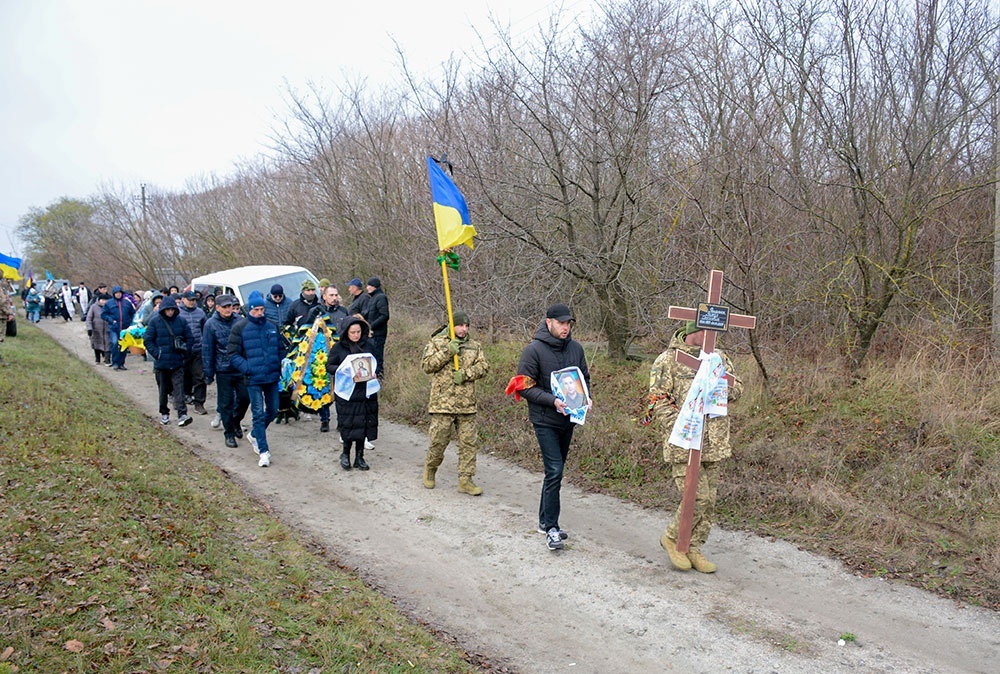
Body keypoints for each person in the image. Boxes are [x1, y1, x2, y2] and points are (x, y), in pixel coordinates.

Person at [648, 321, 742, 573]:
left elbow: (738, 389)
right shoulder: (667, 360)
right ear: (693, 332)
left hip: (714, 442)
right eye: (708, 332)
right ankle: (672, 538)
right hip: (684, 443)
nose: (713, 337)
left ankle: (693, 547)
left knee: (708, 501)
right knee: (695, 497)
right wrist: (683, 426)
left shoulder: (718, 357)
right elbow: (658, 400)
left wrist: (720, 385)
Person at [514, 303, 591, 551]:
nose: (566, 328)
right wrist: (553, 401)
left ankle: (544, 521)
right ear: (549, 323)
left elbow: (583, 378)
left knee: (554, 472)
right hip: (545, 420)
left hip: (568, 419)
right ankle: (552, 529)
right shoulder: (533, 351)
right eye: (561, 323)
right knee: (555, 470)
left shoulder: (576, 349)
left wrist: (586, 398)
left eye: (568, 323)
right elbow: (524, 387)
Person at [421, 311, 490, 495]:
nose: (464, 329)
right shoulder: (437, 343)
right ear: (452, 325)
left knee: (468, 443)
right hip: (443, 403)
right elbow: (427, 366)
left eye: (467, 326)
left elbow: (484, 367)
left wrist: (467, 374)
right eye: (460, 325)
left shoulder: (474, 346)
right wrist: (447, 352)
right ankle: (431, 468)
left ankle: (465, 480)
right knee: (439, 440)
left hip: (466, 404)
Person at [228, 290, 284, 468]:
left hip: (272, 376)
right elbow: (232, 354)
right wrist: (247, 368)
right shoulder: (240, 328)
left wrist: (282, 364)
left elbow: (280, 348)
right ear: (250, 310)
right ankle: (263, 450)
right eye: (256, 310)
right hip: (253, 378)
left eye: (262, 309)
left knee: (273, 410)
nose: (260, 313)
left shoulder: (272, 326)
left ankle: (254, 434)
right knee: (258, 413)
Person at [326, 315, 378, 471]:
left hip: (365, 392)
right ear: (346, 332)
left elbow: (377, 363)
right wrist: (343, 370)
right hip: (347, 392)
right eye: (353, 332)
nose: (356, 335)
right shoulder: (339, 348)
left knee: (363, 424)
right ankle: (345, 454)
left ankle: (360, 457)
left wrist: (374, 372)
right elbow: (330, 366)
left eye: (358, 332)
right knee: (348, 425)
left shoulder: (368, 345)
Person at [203, 294, 249, 449]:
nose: (228, 309)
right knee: (226, 403)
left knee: (245, 398)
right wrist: (208, 372)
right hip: (223, 369)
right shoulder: (210, 324)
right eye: (224, 307)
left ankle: (235, 421)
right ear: (217, 308)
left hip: (240, 368)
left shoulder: (240, 321)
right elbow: (208, 349)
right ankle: (229, 433)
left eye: (230, 306)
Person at [144, 295, 194, 427]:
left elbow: (190, 338)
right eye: (168, 310)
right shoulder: (155, 322)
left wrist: (185, 352)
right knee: (163, 391)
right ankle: (164, 412)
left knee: (179, 389)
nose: (170, 312)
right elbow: (148, 340)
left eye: (172, 309)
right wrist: (157, 353)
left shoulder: (181, 321)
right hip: (161, 364)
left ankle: (182, 414)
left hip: (177, 362)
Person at [304, 285, 348, 433]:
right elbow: (307, 331)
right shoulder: (316, 312)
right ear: (324, 296)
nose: (334, 298)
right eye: (331, 295)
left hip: (341, 353)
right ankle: (324, 419)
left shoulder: (343, 312)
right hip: (322, 355)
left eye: (336, 295)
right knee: (322, 387)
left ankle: (342, 420)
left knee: (341, 389)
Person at [177, 290, 208, 414]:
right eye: (189, 300)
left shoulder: (200, 313)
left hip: (197, 349)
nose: (192, 302)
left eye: (194, 300)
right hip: (182, 350)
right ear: (183, 299)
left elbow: (205, 329)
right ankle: (180, 399)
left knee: (200, 377)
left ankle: (199, 403)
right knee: (181, 376)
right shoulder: (177, 313)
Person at [101, 285, 136, 370]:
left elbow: (133, 313)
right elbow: (103, 314)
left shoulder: (127, 303)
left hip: (125, 328)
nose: (118, 295)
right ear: (114, 294)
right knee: (115, 343)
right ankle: (115, 362)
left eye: (119, 293)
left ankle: (121, 363)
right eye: (116, 293)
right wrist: (111, 320)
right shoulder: (109, 303)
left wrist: (130, 322)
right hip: (114, 328)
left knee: (124, 345)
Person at [365, 277, 389, 379]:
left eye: (369, 286)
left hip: (378, 334)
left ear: (374, 286)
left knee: (378, 357)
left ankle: (379, 378)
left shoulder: (380, 297)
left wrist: (371, 326)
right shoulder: (373, 298)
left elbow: (385, 315)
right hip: (372, 334)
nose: (367, 288)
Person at [85, 293, 112, 364]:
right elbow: (89, 318)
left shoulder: (110, 307)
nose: (104, 302)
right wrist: (89, 328)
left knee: (107, 345)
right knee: (96, 345)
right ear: (99, 300)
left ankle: (107, 360)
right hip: (96, 330)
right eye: (102, 300)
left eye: (106, 300)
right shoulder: (93, 307)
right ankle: (97, 359)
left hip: (107, 329)